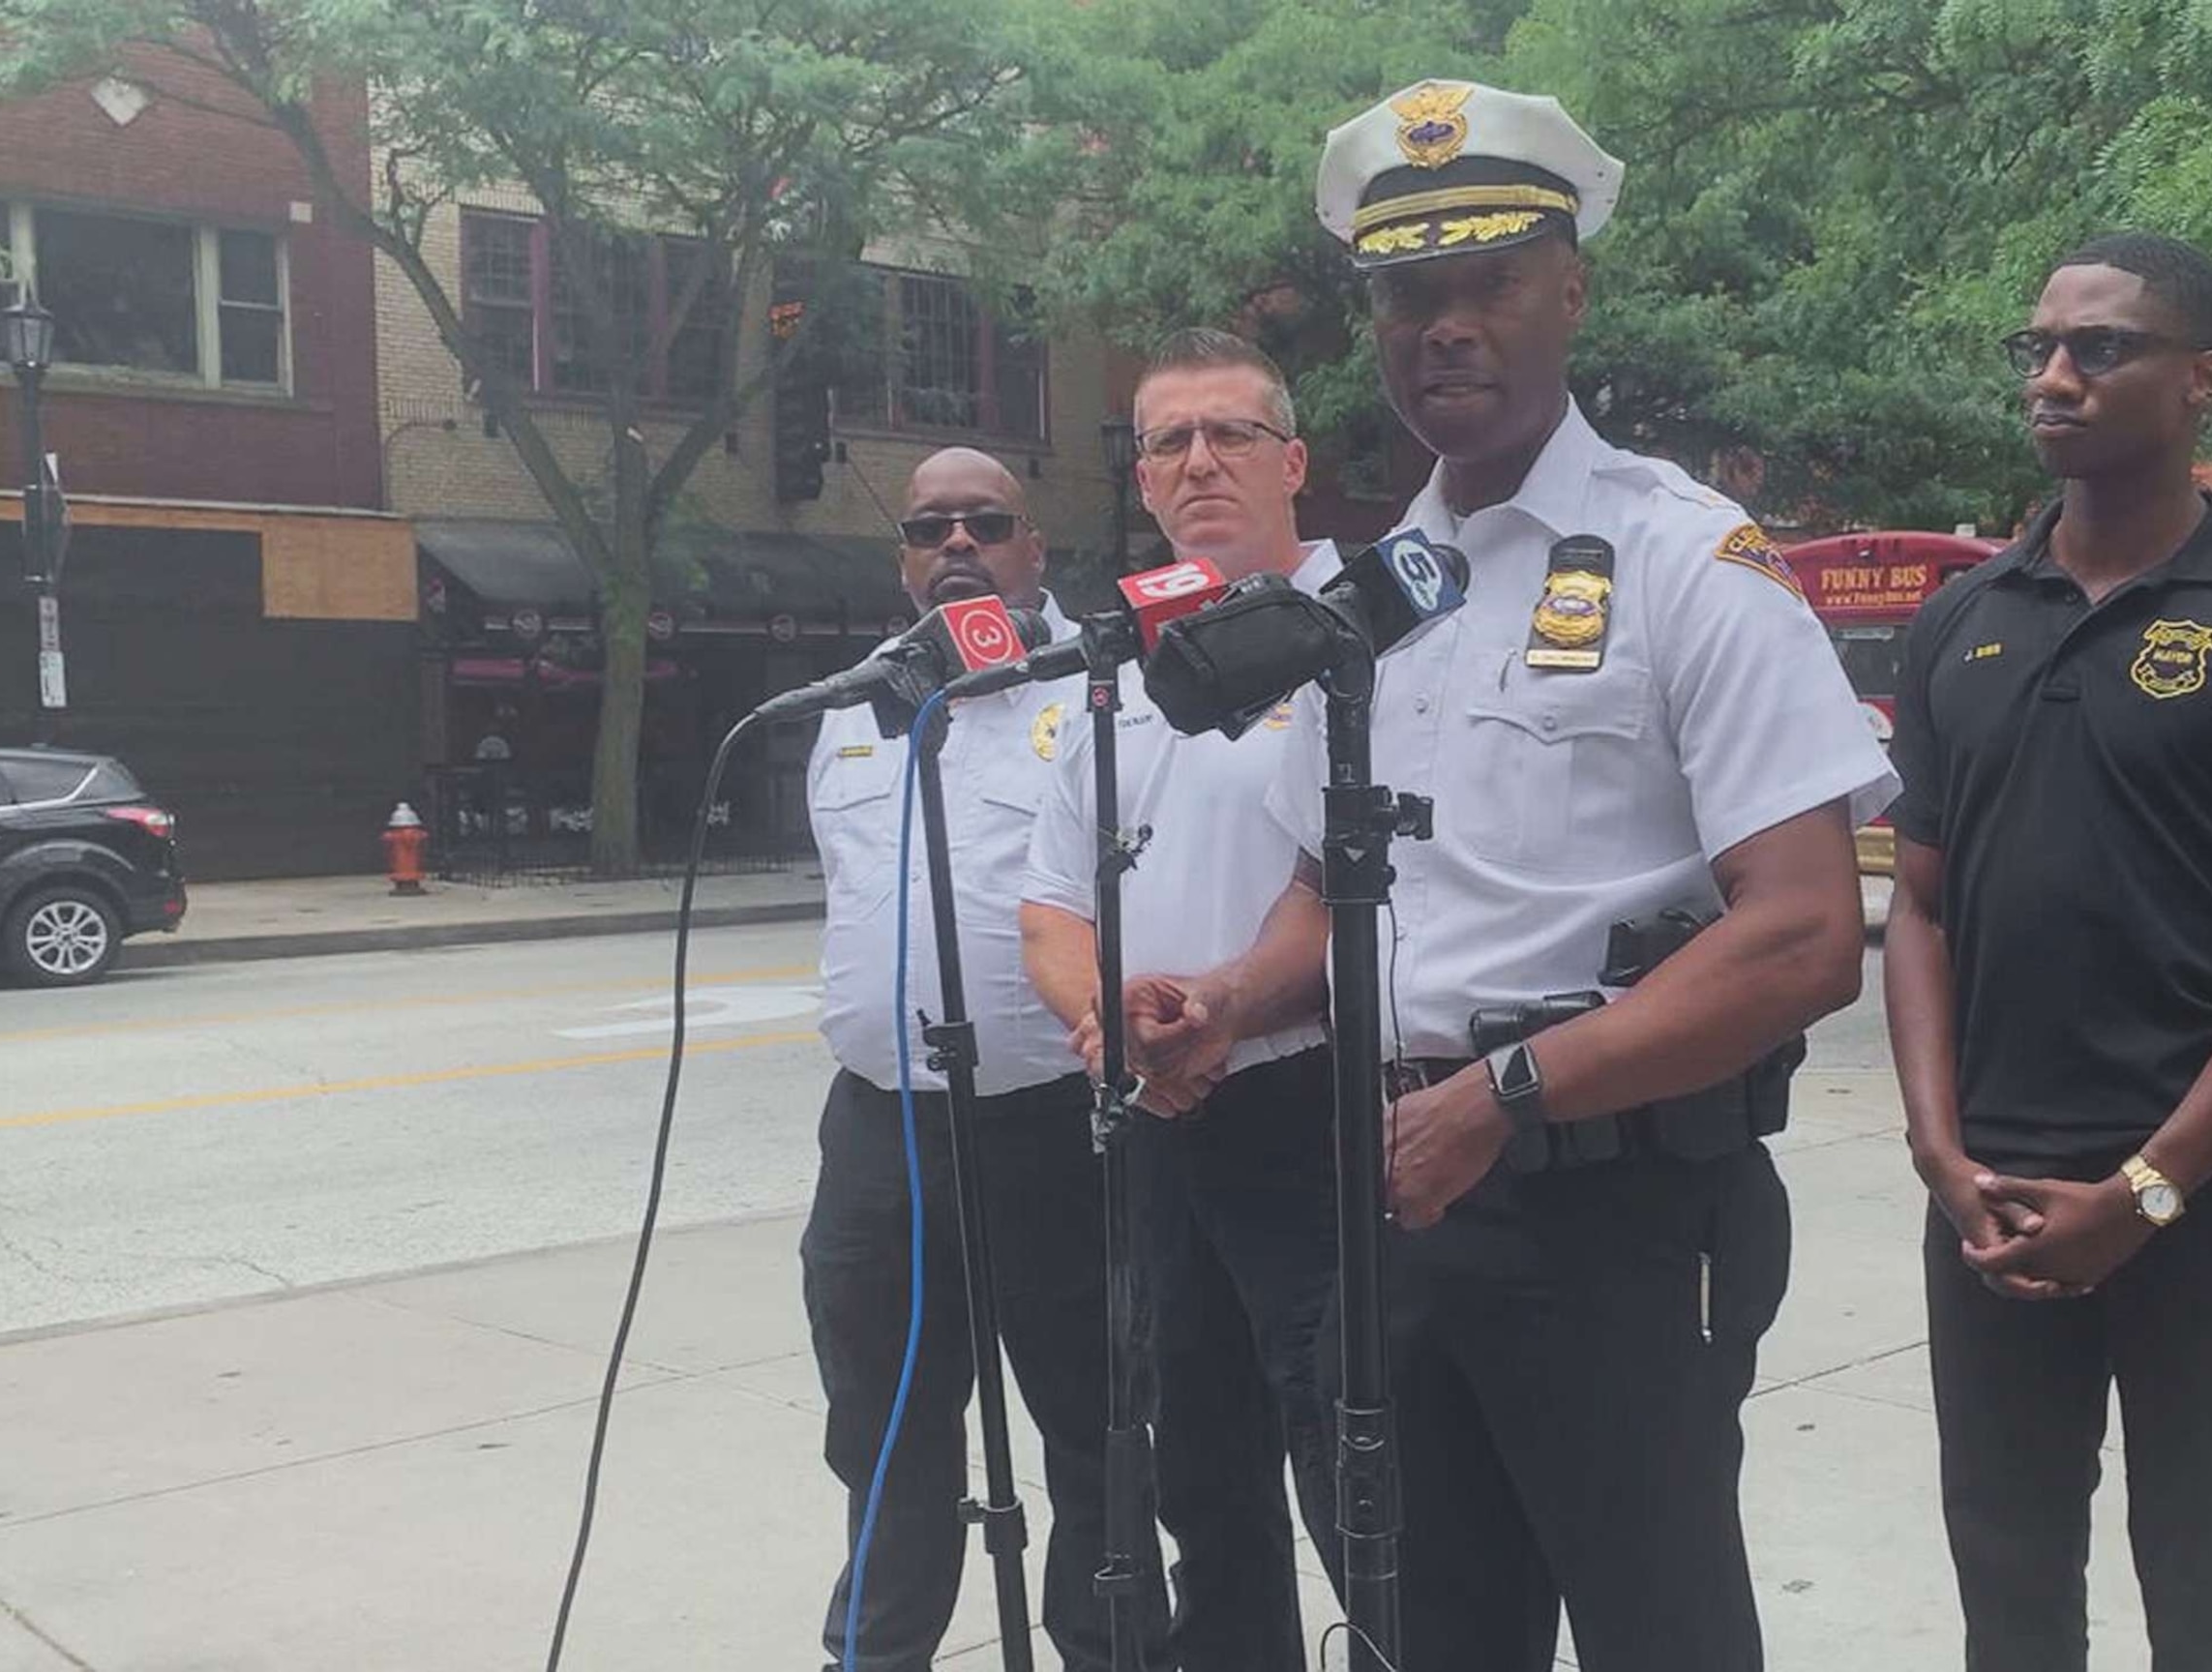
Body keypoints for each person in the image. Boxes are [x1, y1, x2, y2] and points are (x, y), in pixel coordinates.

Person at [1114, 79, 1892, 1672]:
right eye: (1409, 291)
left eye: (1487, 281)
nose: (1444, 325)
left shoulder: (1687, 564)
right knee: (1429, 1634)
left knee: (1659, 1634)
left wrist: (1511, 1090)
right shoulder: (1373, 592)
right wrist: (1224, 1000)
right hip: (1392, 1199)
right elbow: (1338, 895)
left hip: (1608, 1205)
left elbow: (1807, 931)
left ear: (1569, 290)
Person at [1882, 234, 2212, 1672]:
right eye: (2041, 347)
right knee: (2005, 1568)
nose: (2056, 376)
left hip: (2210, 1203)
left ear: (2202, 381)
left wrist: (2148, 1190)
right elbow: (1918, 907)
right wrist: (1939, 1152)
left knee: (2201, 1567)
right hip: (1990, 1192)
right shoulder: (1960, 623)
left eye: (2101, 347)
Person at [1018, 328, 1346, 1672]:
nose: (1200, 461)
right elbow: (1048, 903)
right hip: (1157, 1118)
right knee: (1201, 1471)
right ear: (1143, 478)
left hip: (1321, 1114)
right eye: (1170, 441)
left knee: (1353, 1463)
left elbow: (1359, 883)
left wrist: (1225, 1009)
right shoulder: (1125, 669)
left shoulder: (1358, 632)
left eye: (1232, 435)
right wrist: (1106, 1020)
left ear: (1295, 462)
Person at [799, 447, 1153, 1672]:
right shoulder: (853, 708)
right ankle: (877, 1654)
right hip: (882, 1132)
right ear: (901, 555)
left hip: (1052, 1127)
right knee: (885, 1429)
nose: (957, 543)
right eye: (929, 526)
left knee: (1096, 1424)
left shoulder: (1103, 697)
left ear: (1032, 547)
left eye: (985, 522)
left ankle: (1108, 1651)